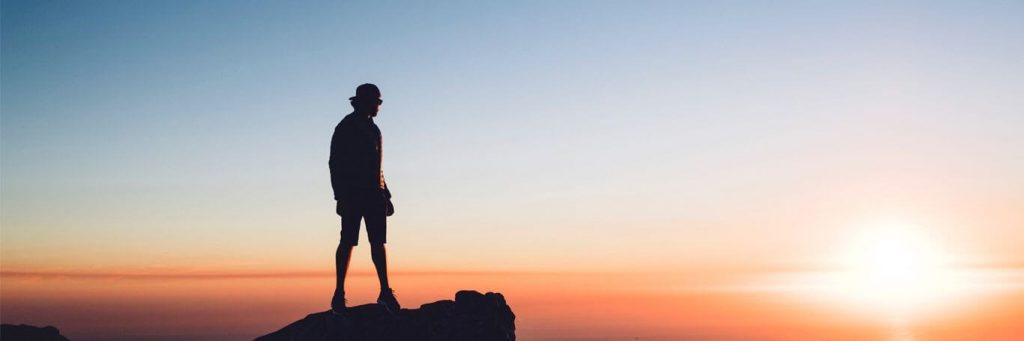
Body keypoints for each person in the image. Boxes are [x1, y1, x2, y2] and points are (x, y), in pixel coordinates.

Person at [328, 83, 400, 314]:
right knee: (348, 241)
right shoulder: (346, 127)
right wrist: (340, 196)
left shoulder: (374, 129)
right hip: (353, 195)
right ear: (365, 102)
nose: (379, 105)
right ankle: (339, 294)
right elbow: (335, 163)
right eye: (377, 101)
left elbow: (376, 165)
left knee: (378, 243)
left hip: (373, 195)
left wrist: (385, 193)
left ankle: (385, 292)